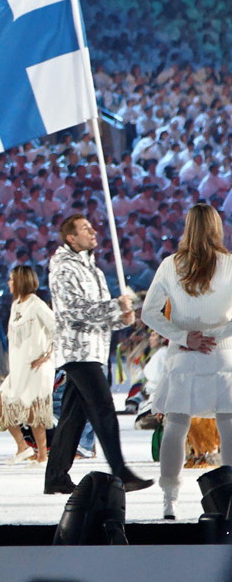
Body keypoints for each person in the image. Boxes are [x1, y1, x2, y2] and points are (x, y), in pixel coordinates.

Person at [44, 214, 153, 494]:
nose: (93, 231)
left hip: (95, 349)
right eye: (85, 229)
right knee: (104, 409)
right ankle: (121, 472)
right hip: (77, 351)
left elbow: (100, 313)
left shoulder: (93, 268)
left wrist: (123, 318)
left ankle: (56, 476)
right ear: (71, 237)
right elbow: (74, 310)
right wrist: (115, 307)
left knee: (73, 417)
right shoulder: (63, 267)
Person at [142, 204, 232, 519]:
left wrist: (184, 338)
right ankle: (229, 499)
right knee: (228, 425)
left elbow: (148, 313)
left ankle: (169, 502)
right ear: (216, 228)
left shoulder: (170, 265)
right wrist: (216, 334)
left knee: (175, 426)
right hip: (221, 356)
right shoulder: (229, 264)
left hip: (183, 356)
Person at [0, 265, 55, 464]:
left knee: (35, 412)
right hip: (18, 368)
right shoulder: (16, 304)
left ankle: (42, 456)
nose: (8, 283)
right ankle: (23, 447)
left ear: (21, 281)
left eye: (11, 279)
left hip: (37, 367)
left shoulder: (37, 305)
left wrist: (48, 354)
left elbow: (58, 328)